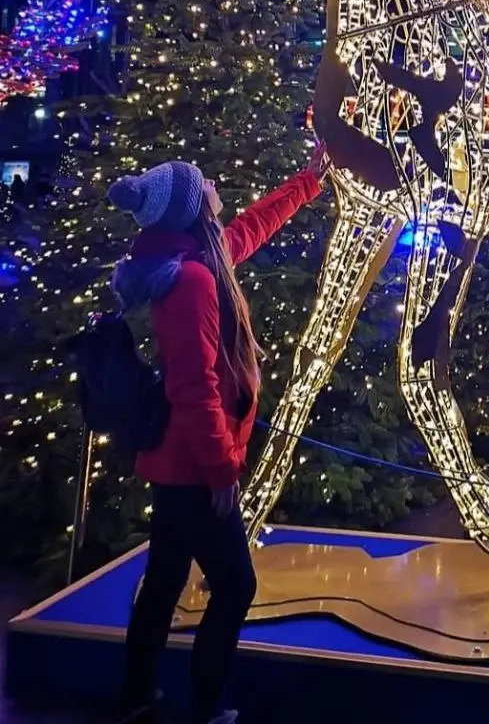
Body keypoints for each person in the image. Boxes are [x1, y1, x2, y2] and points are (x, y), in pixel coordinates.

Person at [108, 145, 330, 724]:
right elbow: (194, 389)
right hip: (191, 465)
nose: (213, 185)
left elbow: (253, 225)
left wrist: (307, 181)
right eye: (202, 184)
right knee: (235, 586)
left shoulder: (202, 258)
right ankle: (206, 708)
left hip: (175, 462)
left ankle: (136, 696)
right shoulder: (192, 283)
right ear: (192, 207)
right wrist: (223, 470)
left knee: (163, 578)